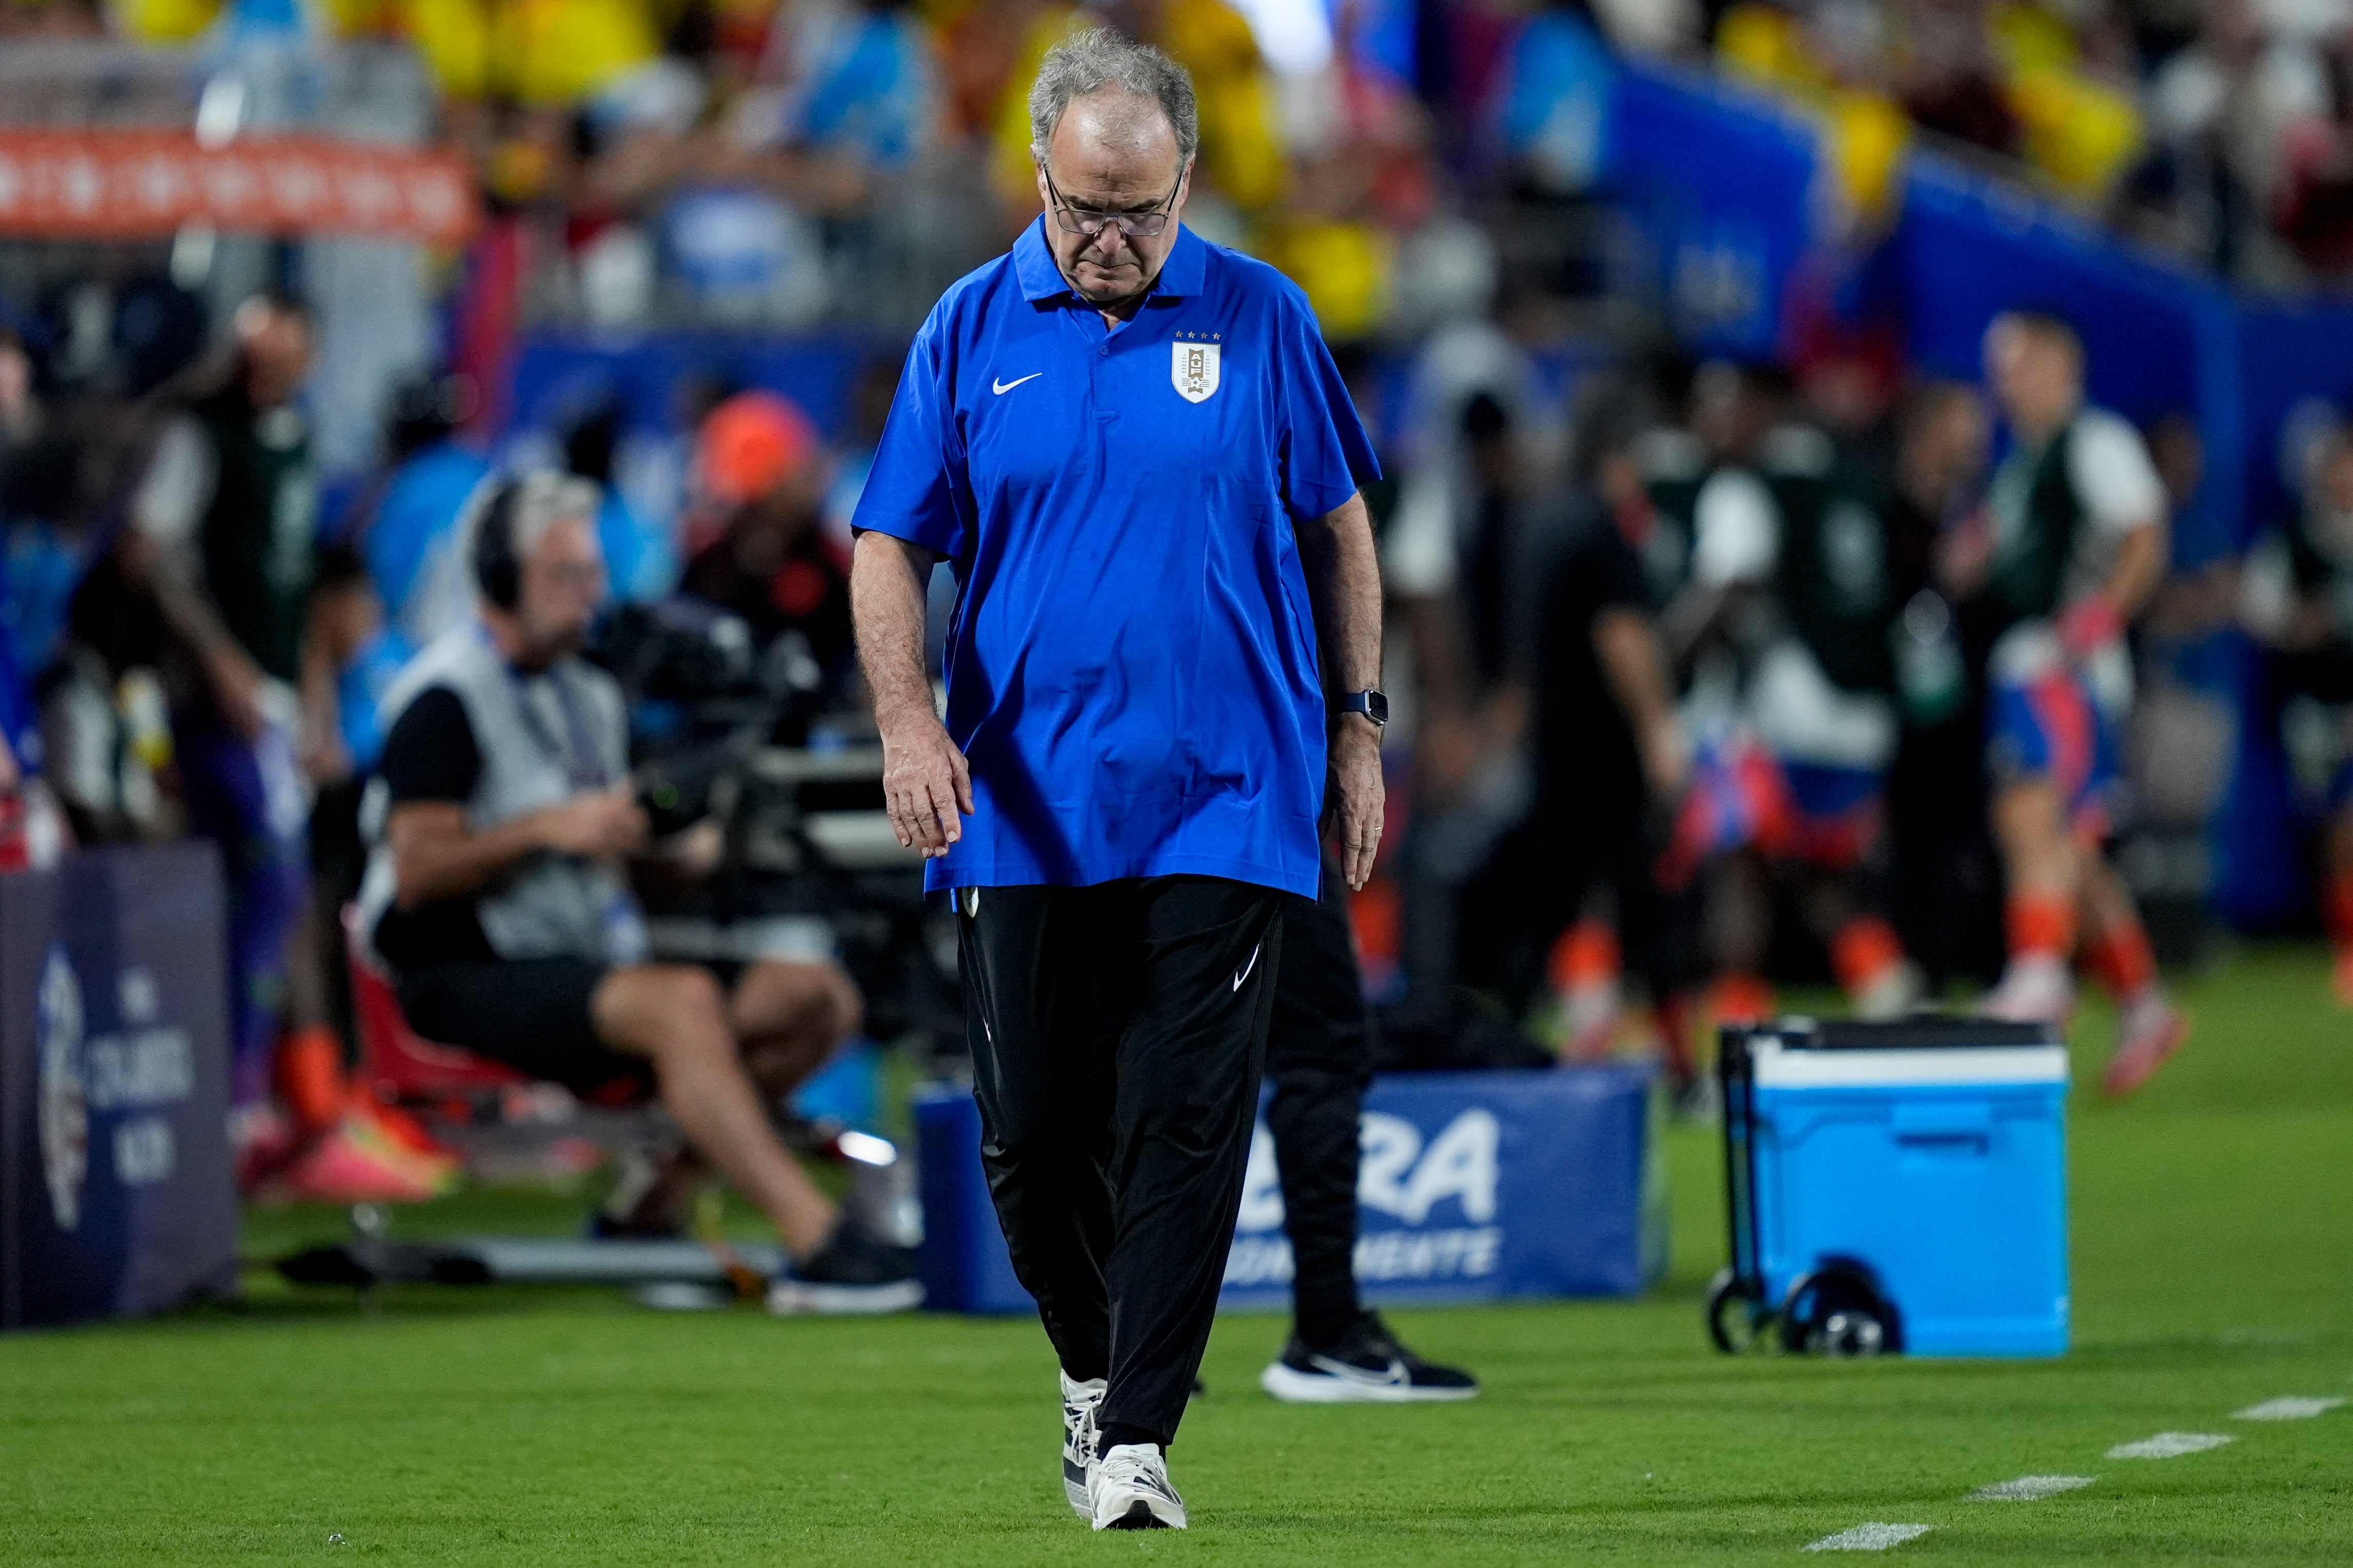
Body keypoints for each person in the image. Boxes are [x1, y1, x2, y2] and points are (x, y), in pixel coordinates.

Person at [848, 29, 1384, 1530]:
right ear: (1037, 175)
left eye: (1140, 212)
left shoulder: (1262, 314)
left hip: (1229, 790)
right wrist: (906, 723)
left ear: (1185, 182)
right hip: (1020, 799)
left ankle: (1139, 1435)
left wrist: (1355, 727)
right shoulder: (967, 326)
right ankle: (1092, 1369)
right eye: (1086, 209)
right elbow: (888, 543)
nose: (1110, 239)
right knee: (1027, 1135)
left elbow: (1341, 529)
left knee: (1182, 1114)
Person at [356, 471, 918, 1311]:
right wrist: (547, 829)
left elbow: (607, 849)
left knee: (817, 999)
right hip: (458, 967)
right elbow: (418, 870)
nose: (588, 596)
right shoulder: (444, 697)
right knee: (679, 1003)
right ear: (502, 579)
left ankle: (643, 1213)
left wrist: (671, 852)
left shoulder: (588, 692)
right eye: (564, 576)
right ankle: (819, 1241)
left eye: (592, 574)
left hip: (580, 958)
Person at [123, 293, 335, 1170]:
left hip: (276, 696)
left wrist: (316, 697)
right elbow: (147, 553)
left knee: (278, 890)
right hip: (212, 703)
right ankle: (236, 1099)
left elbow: (298, 582)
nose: (264, 370)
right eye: (253, 354)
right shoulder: (197, 436)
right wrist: (219, 663)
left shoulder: (298, 441)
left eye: (281, 354)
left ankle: (294, 1097)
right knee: (270, 882)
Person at [1952, 312, 2188, 1094]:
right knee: (2075, 853)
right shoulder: (2022, 462)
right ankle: (2143, 1004)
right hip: (2028, 661)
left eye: (2016, 364)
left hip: (2060, 668)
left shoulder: (2094, 441)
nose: (2003, 382)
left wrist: (2101, 614)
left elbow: (2144, 533)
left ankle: (2038, 972)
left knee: (2030, 813)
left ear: (2059, 365)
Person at [1257, 859, 1481, 1402]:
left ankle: (1113, 1351)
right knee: (1320, 1052)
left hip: (1113, 836)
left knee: (1151, 1050)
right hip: (1263, 829)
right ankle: (1327, 1327)